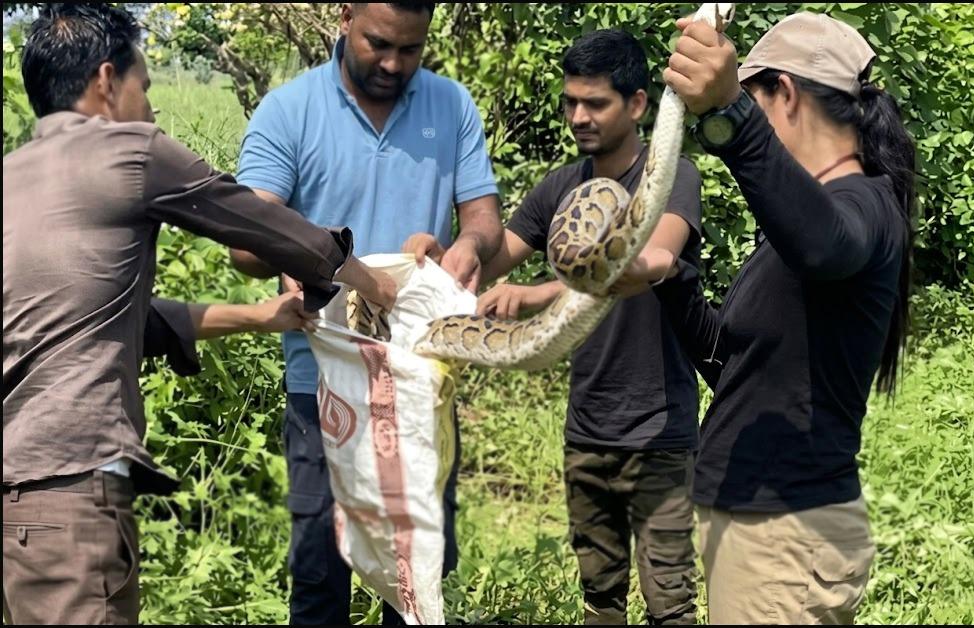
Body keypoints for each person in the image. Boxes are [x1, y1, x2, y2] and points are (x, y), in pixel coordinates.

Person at [2, 4, 395, 624]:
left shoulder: (12, 178)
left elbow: (103, 319)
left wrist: (259, 316)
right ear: (107, 81)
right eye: (145, 89)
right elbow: (263, 226)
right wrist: (379, 284)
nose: (152, 110)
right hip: (71, 490)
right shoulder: (131, 150)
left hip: (18, 504)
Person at [227, 2, 502, 624]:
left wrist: (466, 245)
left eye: (410, 49)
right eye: (378, 43)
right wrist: (305, 251)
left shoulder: (450, 105)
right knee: (320, 579)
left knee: (418, 584)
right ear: (345, 15)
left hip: (418, 384)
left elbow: (483, 217)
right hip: (321, 390)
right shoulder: (289, 111)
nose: (392, 63)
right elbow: (246, 240)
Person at [660, 11, 916, 624]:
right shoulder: (803, 223)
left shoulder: (862, 207)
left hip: (786, 538)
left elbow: (827, 244)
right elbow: (734, 366)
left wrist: (733, 118)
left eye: (754, 101)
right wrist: (671, 281)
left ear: (787, 93)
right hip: (758, 532)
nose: (751, 120)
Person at [471, 30, 704, 625]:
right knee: (600, 599)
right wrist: (446, 253)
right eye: (571, 102)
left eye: (595, 103)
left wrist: (539, 293)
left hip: (658, 432)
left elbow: (653, 259)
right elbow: (489, 265)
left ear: (636, 104)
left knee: (670, 603)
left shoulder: (672, 176)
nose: (579, 116)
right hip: (587, 429)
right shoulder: (560, 188)